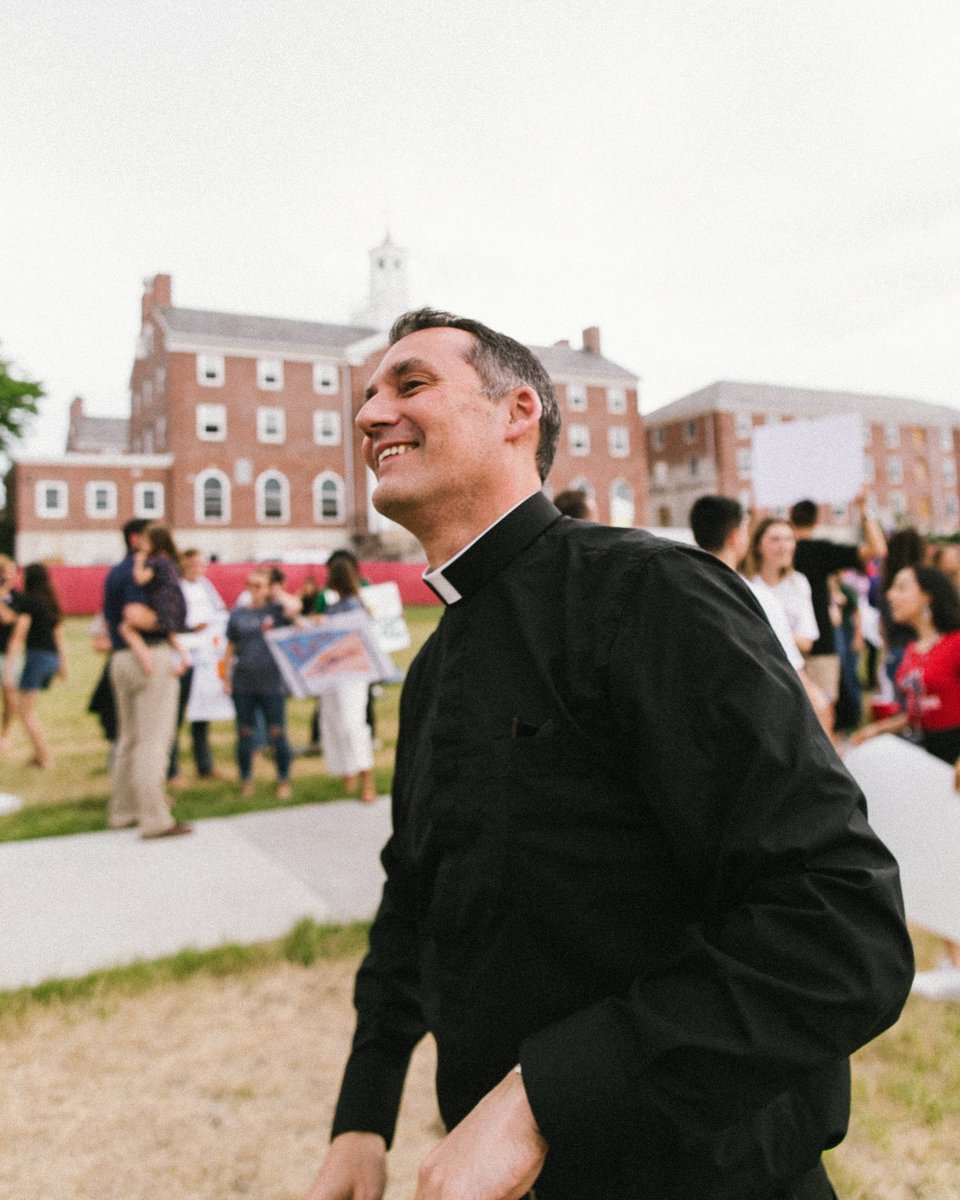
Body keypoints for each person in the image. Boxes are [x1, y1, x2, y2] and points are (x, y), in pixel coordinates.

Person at [305, 309, 913, 1200]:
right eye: (366, 396)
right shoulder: (436, 665)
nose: (369, 415)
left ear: (519, 412)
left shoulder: (650, 596)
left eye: (411, 384)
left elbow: (839, 926)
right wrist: (363, 1114)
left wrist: (539, 1099)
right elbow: (417, 899)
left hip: (707, 1174)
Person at [849, 563, 960, 986]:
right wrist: (879, 728)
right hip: (928, 761)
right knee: (942, 855)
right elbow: (915, 710)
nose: (890, 594)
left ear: (928, 596)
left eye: (901, 587)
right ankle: (955, 958)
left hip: (955, 764)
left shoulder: (956, 643)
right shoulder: (914, 649)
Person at [689, 496, 833, 734]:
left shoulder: (676, 590)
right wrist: (820, 705)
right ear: (736, 537)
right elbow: (795, 670)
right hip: (747, 718)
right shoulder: (756, 597)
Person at [104, 518, 191, 838]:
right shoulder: (146, 570)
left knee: (127, 739)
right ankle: (154, 818)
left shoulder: (115, 571)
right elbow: (133, 615)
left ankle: (122, 810)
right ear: (137, 538)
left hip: (120, 658)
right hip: (147, 657)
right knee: (152, 741)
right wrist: (168, 625)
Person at [789, 495, 887, 704]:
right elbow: (877, 549)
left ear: (791, 518)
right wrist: (864, 509)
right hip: (820, 638)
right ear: (816, 520)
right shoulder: (820, 551)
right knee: (823, 708)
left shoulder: (776, 551)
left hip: (784, 639)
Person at [222, 567, 295, 801]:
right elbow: (230, 647)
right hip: (243, 680)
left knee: (277, 731)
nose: (254, 589)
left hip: (271, 681)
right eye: (251, 584)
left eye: (259, 585)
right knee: (245, 732)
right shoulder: (238, 614)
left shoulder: (276, 611)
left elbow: (296, 608)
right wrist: (225, 677)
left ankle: (283, 779)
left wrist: (276, 593)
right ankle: (246, 780)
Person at [315, 553, 376, 804]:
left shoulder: (354, 606)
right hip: (335, 674)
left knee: (352, 725)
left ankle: (365, 777)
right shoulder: (334, 606)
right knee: (336, 723)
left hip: (352, 674)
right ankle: (348, 770)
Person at [168, 548, 229, 785]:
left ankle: (204, 764)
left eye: (201, 565)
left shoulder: (206, 587)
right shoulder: (176, 587)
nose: (197, 569)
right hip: (183, 653)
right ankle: (171, 769)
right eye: (192, 564)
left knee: (202, 712)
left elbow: (220, 612)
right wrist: (192, 628)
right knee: (176, 712)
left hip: (205, 655)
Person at [1, 562, 67, 768]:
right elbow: (58, 634)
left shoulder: (29, 602)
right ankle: (39, 756)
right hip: (50, 657)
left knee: (25, 712)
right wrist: (63, 664)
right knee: (26, 709)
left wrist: (10, 664)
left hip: (37, 658)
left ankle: (45, 758)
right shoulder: (48, 601)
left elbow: (11, 622)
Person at [119, 524, 189, 677]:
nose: (142, 545)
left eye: (146, 542)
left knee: (126, 627)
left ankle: (145, 658)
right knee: (170, 635)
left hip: (163, 608)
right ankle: (184, 657)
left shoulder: (155, 561)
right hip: (177, 607)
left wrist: (138, 561)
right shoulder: (171, 561)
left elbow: (140, 579)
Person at [0, 555, 23, 751]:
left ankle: (4, 733)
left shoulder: (17, 598)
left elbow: (9, 619)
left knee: (9, 694)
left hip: (8, 653)